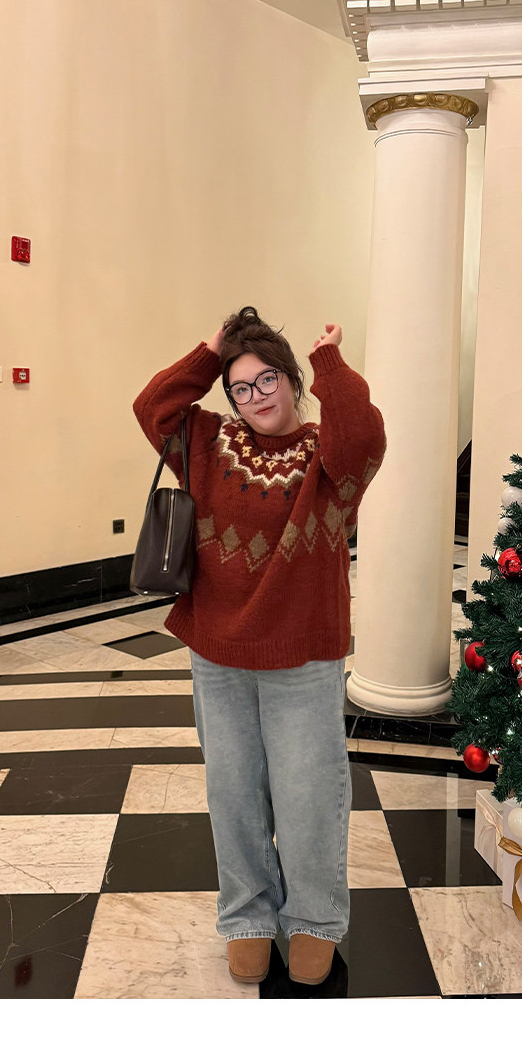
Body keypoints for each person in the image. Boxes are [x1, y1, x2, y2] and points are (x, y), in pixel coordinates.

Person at [133, 306, 386, 987]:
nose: (256, 396)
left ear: (290, 378)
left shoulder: (328, 457)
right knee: (234, 793)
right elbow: (153, 407)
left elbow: (365, 434)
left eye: (267, 379)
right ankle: (247, 916)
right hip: (216, 652)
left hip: (302, 659)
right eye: (240, 386)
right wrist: (209, 352)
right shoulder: (207, 440)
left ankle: (314, 921)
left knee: (309, 798)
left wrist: (331, 363)